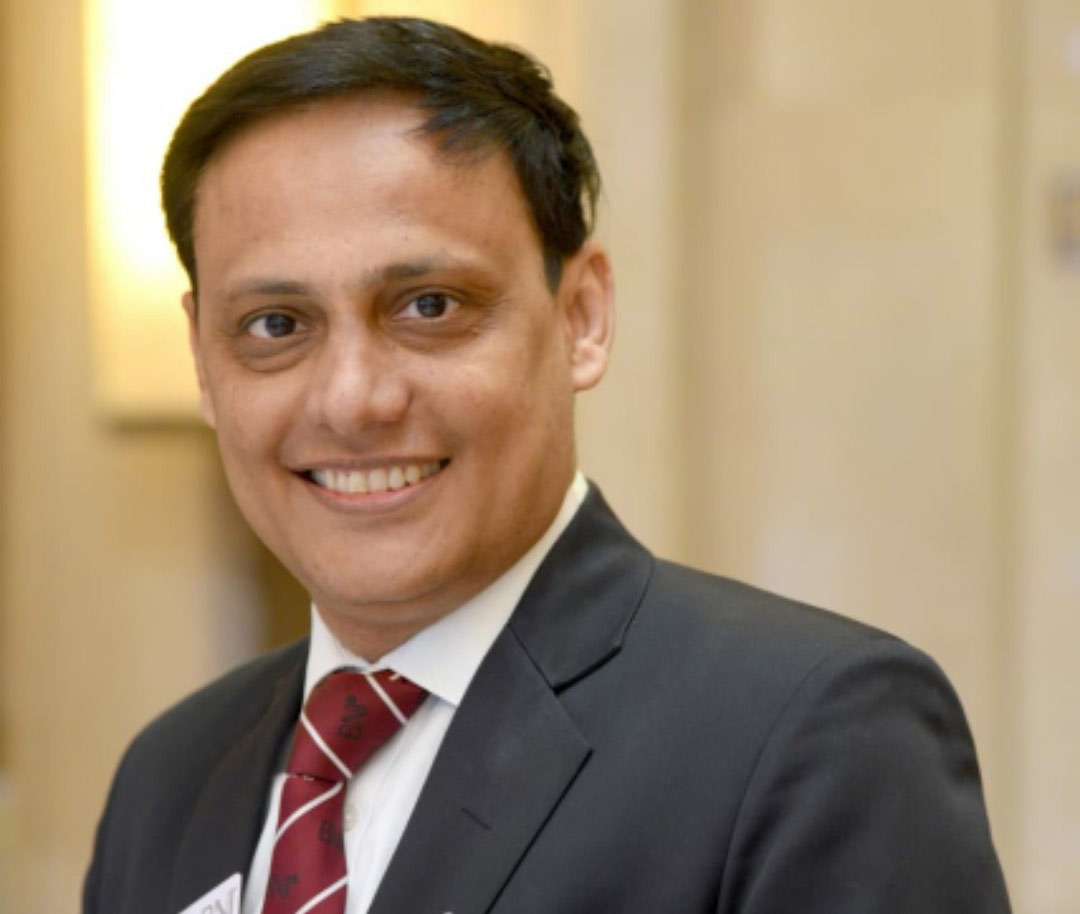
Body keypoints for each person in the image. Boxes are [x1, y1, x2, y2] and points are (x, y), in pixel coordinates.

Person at [84, 16, 1011, 914]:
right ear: (202, 362)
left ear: (582, 319)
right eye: (276, 325)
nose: (354, 399)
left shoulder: (815, 737)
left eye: (430, 305)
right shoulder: (168, 779)